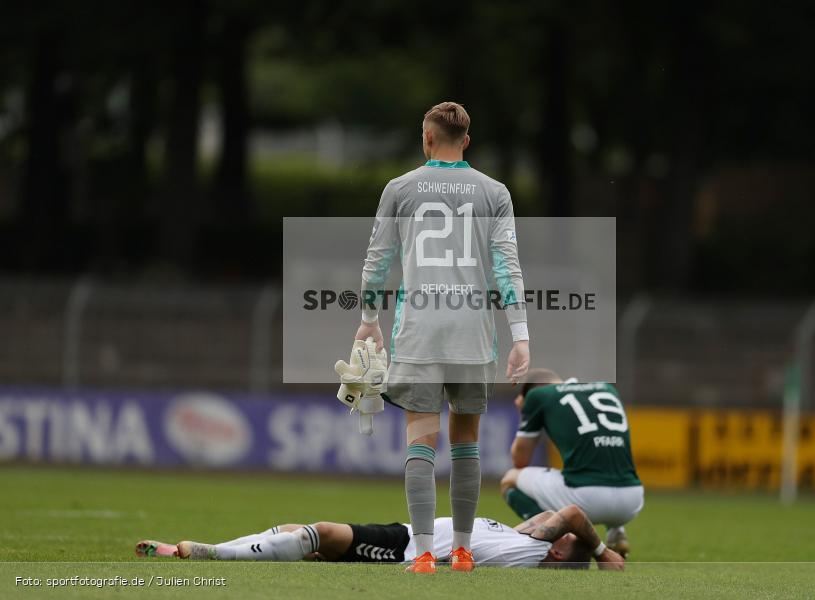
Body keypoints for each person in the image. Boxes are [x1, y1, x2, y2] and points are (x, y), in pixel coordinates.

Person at [352, 101, 529, 573]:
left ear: (427, 137)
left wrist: (369, 318)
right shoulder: (495, 192)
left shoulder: (400, 188)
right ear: (466, 140)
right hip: (473, 334)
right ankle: (465, 551)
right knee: (467, 440)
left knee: (421, 441)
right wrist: (521, 335)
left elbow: (377, 259)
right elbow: (507, 265)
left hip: (420, 332)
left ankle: (426, 552)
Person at [135, 504, 623, 571]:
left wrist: (601, 554)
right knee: (295, 530)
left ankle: (217, 556)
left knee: (321, 534)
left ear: (559, 549)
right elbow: (559, 515)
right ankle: (198, 548)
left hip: (411, 549)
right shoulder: (525, 538)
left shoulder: (537, 555)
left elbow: (576, 514)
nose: (545, 520)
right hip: (409, 534)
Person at [500, 369, 643, 558]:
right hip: (632, 500)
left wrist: (527, 412)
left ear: (532, 390)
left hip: (586, 498)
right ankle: (616, 532)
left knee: (509, 479)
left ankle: (563, 535)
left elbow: (520, 460)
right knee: (600, 463)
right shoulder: (607, 389)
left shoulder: (539, 396)